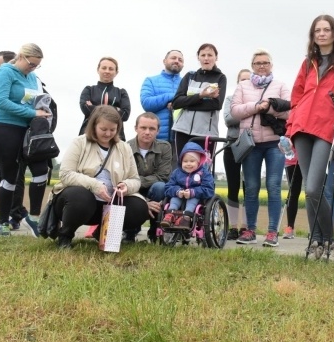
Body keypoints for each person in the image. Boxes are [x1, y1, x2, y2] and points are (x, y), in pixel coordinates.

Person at [285, 15, 334, 262]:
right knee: (310, 191)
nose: (321, 34)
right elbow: (296, 98)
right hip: (301, 129)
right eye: (317, 30)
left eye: (326, 29)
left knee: (313, 187)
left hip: (327, 130)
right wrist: (290, 126)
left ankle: (329, 242)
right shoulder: (308, 63)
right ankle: (315, 242)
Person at [52, 106, 149, 249]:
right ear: (94, 125)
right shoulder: (79, 142)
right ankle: (65, 235)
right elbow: (66, 174)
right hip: (78, 204)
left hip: (109, 204)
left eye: (113, 130)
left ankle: (103, 233)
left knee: (139, 208)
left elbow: (135, 179)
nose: (108, 133)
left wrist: (126, 186)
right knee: (81, 196)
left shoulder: (124, 148)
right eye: (103, 129)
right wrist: (94, 185)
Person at [0, 43, 52, 237]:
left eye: (37, 65)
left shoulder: (33, 77)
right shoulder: (5, 72)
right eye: (31, 63)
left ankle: (33, 218)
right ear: (21, 57)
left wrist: (43, 110)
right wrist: (32, 112)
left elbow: (34, 100)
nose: (33, 68)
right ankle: (4, 223)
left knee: (41, 170)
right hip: (5, 127)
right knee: (10, 176)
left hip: (28, 130)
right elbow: (1, 101)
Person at [231, 50, 291, 247]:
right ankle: (250, 230)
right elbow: (235, 111)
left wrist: (270, 107)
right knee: (251, 187)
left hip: (275, 143)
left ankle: (272, 232)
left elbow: (291, 111)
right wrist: (256, 107)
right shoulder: (242, 85)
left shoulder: (281, 85)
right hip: (251, 143)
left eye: (265, 62)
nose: (262, 66)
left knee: (274, 186)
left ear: (271, 65)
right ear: (252, 65)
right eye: (258, 63)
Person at [171, 44, 227, 158]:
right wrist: (201, 95)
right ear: (198, 57)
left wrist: (188, 103)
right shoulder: (190, 76)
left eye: (210, 55)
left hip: (206, 133)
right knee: (182, 166)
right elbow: (176, 102)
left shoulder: (220, 78)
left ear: (216, 58)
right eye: (203, 55)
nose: (206, 58)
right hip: (182, 130)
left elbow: (216, 104)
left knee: (204, 169)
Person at [125, 112, 169, 240]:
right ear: (136, 128)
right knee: (126, 187)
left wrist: (137, 181)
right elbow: (125, 178)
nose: (147, 132)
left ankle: (155, 231)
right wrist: (142, 199)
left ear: (158, 131)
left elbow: (163, 176)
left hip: (153, 189)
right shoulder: (125, 148)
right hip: (132, 190)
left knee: (160, 187)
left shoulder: (165, 147)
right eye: (143, 128)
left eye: (152, 129)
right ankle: (130, 231)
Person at [140, 50, 184, 166]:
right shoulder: (151, 81)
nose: (176, 61)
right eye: (173, 58)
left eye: (180, 60)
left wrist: (177, 103)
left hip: (179, 140)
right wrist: (172, 97)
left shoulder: (187, 83)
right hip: (156, 140)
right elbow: (146, 103)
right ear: (164, 61)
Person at [223, 68, 251, 240]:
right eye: (243, 80)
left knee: (249, 187)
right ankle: (232, 227)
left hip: (251, 146)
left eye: (249, 80)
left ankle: (246, 227)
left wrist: (240, 113)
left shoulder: (258, 99)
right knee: (233, 187)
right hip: (232, 144)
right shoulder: (229, 99)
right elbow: (228, 119)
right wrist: (250, 111)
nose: (245, 83)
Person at [161, 142, 215, 230]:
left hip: (198, 198)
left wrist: (193, 192)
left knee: (192, 198)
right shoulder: (176, 173)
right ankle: (170, 215)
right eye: (185, 161)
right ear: (181, 162)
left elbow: (208, 189)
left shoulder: (204, 174)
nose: (188, 164)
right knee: (175, 197)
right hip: (179, 196)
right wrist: (177, 191)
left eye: (192, 161)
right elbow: (168, 187)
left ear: (199, 162)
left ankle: (186, 218)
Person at [79, 57, 131, 141]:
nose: (107, 71)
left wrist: (94, 107)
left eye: (111, 69)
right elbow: (85, 109)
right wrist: (116, 109)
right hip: (89, 135)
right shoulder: (89, 90)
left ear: (116, 72)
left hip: (115, 137)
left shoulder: (121, 92)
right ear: (98, 70)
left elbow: (125, 115)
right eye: (104, 68)